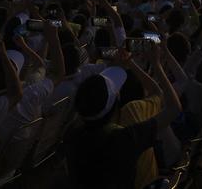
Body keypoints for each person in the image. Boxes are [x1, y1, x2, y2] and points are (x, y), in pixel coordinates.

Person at [64, 52, 182, 189]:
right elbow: (173, 108)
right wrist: (156, 64)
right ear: (115, 106)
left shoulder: (71, 135)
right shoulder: (125, 138)